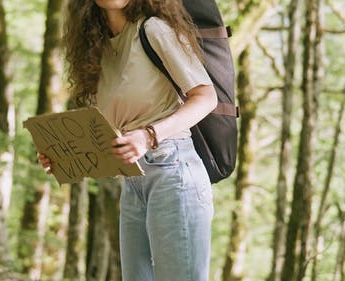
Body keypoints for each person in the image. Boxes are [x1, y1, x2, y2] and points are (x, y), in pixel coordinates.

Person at [38, 0, 217, 280]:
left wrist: (149, 136)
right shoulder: (96, 46)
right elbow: (111, 130)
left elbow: (206, 97)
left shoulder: (155, 30)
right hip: (133, 182)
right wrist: (62, 156)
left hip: (173, 172)